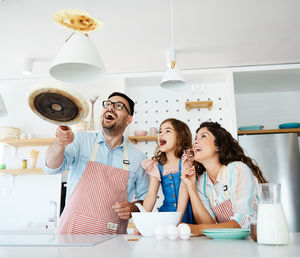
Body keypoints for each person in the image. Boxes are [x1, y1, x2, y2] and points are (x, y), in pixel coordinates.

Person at [44, 92, 149, 235]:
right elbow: (51, 168)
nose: (110, 108)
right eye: (108, 104)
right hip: (71, 236)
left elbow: (146, 199)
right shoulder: (81, 140)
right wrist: (59, 143)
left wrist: (134, 208)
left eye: (119, 106)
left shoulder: (138, 158)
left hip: (112, 241)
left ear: (129, 120)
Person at [181, 122, 267, 235]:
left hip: (257, 238)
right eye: (195, 138)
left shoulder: (237, 170)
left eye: (203, 136)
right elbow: (208, 224)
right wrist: (191, 186)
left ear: (218, 146)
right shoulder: (202, 182)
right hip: (229, 243)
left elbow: (242, 222)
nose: (195, 141)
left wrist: (196, 229)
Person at [141, 118, 194, 223]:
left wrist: (178, 220)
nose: (161, 134)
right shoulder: (156, 165)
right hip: (166, 215)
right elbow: (151, 195)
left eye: (168, 131)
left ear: (181, 137)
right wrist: (141, 222)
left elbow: (184, 189)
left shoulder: (187, 160)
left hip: (186, 214)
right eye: (160, 131)